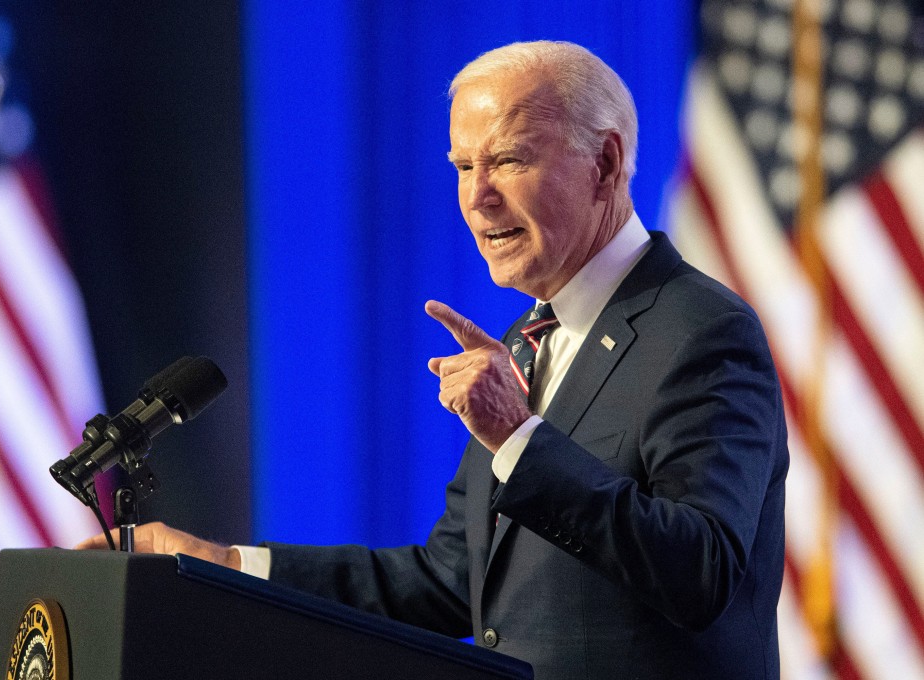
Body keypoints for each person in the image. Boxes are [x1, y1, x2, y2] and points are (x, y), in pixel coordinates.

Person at [79, 40, 788, 679]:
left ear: (603, 164)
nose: (478, 197)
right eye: (463, 166)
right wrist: (228, 565)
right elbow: (450, 582)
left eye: (508, 159)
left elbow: (701, 571)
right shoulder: (524, 342)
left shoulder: (699, 330)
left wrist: (518, 437)